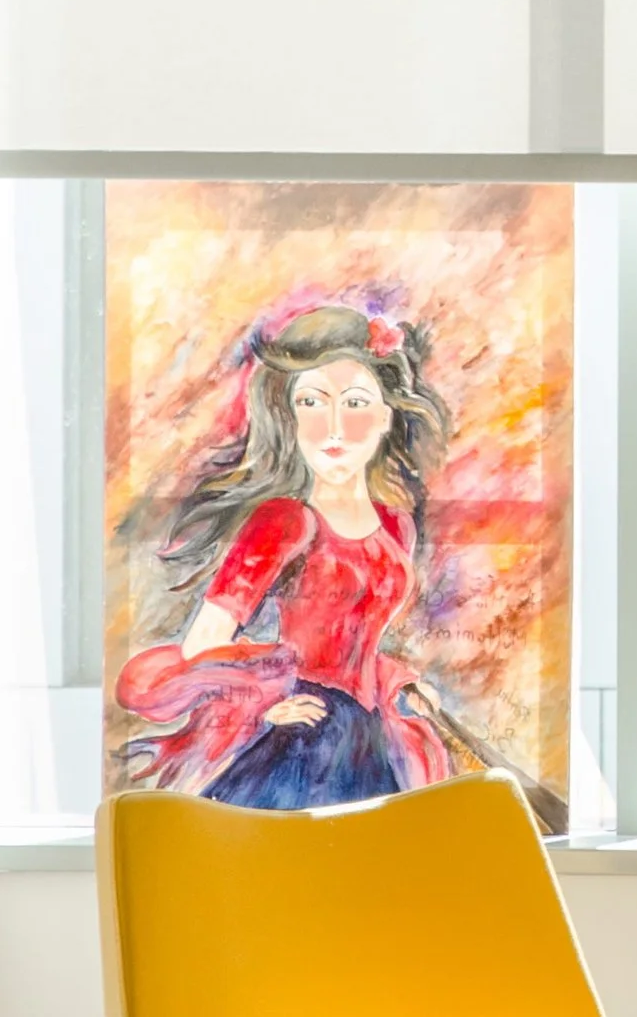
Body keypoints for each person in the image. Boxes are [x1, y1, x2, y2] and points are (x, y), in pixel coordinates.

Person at [114, 302, 476, 812]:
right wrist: (266, 702)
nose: (331, 427)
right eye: (310, 402)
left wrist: (401, 682)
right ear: (289, 413)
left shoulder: (396, 525)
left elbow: (358, 646)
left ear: (385, 417)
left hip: (370, 738)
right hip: (305, 742)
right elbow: (203, 643)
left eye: (353, 403)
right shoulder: (283, 521)